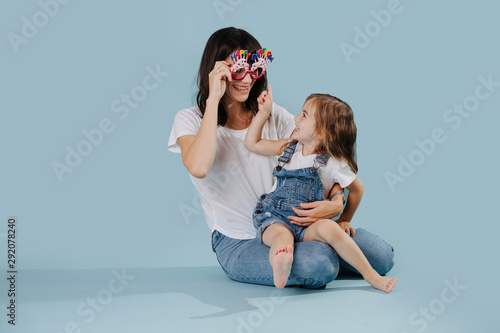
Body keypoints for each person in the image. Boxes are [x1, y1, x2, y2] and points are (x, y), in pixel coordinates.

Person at [167, 27, 394, 288]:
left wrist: (336, 202)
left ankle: (323, 250)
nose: (247, 79)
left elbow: (315, 157)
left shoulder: (269, 112)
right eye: (238, 69)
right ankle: (320, 254)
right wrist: (213, 99)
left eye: (255, 69)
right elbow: (198, 166)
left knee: (381, 256)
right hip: (239, 240)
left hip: (293, 222)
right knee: (319, 263)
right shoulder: (190, 119)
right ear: (217, 70)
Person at [244, 88, 397, 292]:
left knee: (331, 229)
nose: (296, 118)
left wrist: (344, 219)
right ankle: (281, 264)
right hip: (276, 217)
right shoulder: (290, 148)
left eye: (304, 115)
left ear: (323, 131)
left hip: (309, 226)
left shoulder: (333, 163)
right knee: (281, 240)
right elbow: (252, 143)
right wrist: (263, 114)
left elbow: (357, 189)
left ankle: (371, 276)